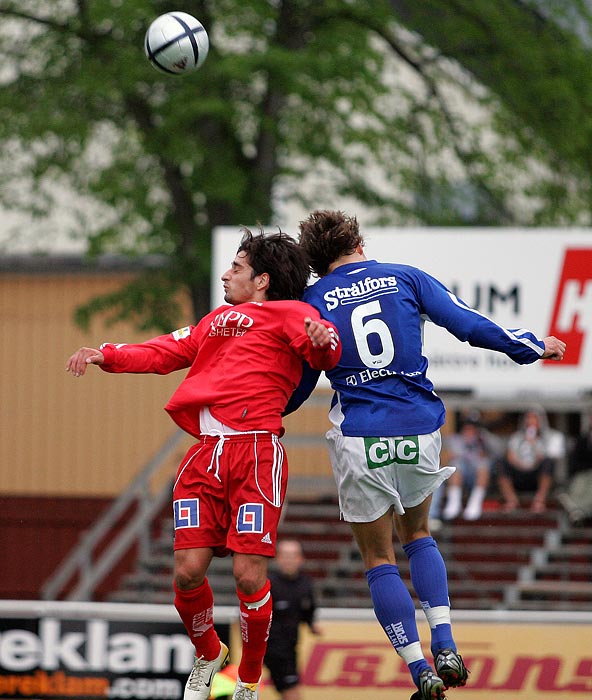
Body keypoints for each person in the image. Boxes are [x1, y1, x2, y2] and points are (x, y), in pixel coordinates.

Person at [294, 210, 566, 700]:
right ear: (356, 239)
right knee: (419, 534)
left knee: (379, 558)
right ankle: (445, 640)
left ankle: (420, 668)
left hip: (360, 435)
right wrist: (530, 347)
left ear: (315, 261)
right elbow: (468, 324)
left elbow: (296, 384)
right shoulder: (405, 277)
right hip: (419, 427)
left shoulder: (310, 302)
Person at [66, 228, 341, 700]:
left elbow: (324, 350)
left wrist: (321, 340)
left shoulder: (293, 314)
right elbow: (167, 349)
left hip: (256, 453)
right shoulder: (217, 320)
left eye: (236, 267)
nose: (225, 274)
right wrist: (107, 354)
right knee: (186, 571)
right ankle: (209, 653)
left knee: (248, 576)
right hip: (204, 455)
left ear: (262, 280)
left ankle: (249, 680)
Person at [264, 540, 321, 700]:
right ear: (277, 558)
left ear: (301, 559)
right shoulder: (268, 584)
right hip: (272, 650)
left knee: (287, 692)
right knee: (291, 693)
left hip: (291, 648)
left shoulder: (306, 584)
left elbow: (308, 611)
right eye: (285, 555)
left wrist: (312, 625)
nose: (289, 560)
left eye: (293, 555)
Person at [495, 407, 565, 513]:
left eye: (534, 419)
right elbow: (510, 457)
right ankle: (511, 500)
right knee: (501, 463)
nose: (531, 422)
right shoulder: (517, 437)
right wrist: (520, 463)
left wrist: (535, 446)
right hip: (520, 475)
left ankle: (539, 501)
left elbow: (554, 456)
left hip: (538, 477)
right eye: (529, 419)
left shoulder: (552, 437)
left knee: (548, 463)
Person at [441, 415, 495, 521]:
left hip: (478, 478)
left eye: (473, 428)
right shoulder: (456, 439)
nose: (469, 430)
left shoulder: (484, 439)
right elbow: (448, 456)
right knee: (456, 466)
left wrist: (484, 438)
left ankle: (475, 503)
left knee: (484, 465)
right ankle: (454, 503)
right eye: (467, 427)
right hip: (460, 477)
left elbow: (498, 451)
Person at [557, 415, 592, 524]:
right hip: (582, 475)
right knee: (580, 484)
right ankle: (580, 511)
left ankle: (577, 511)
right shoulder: (581, 440)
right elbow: (574, 463)